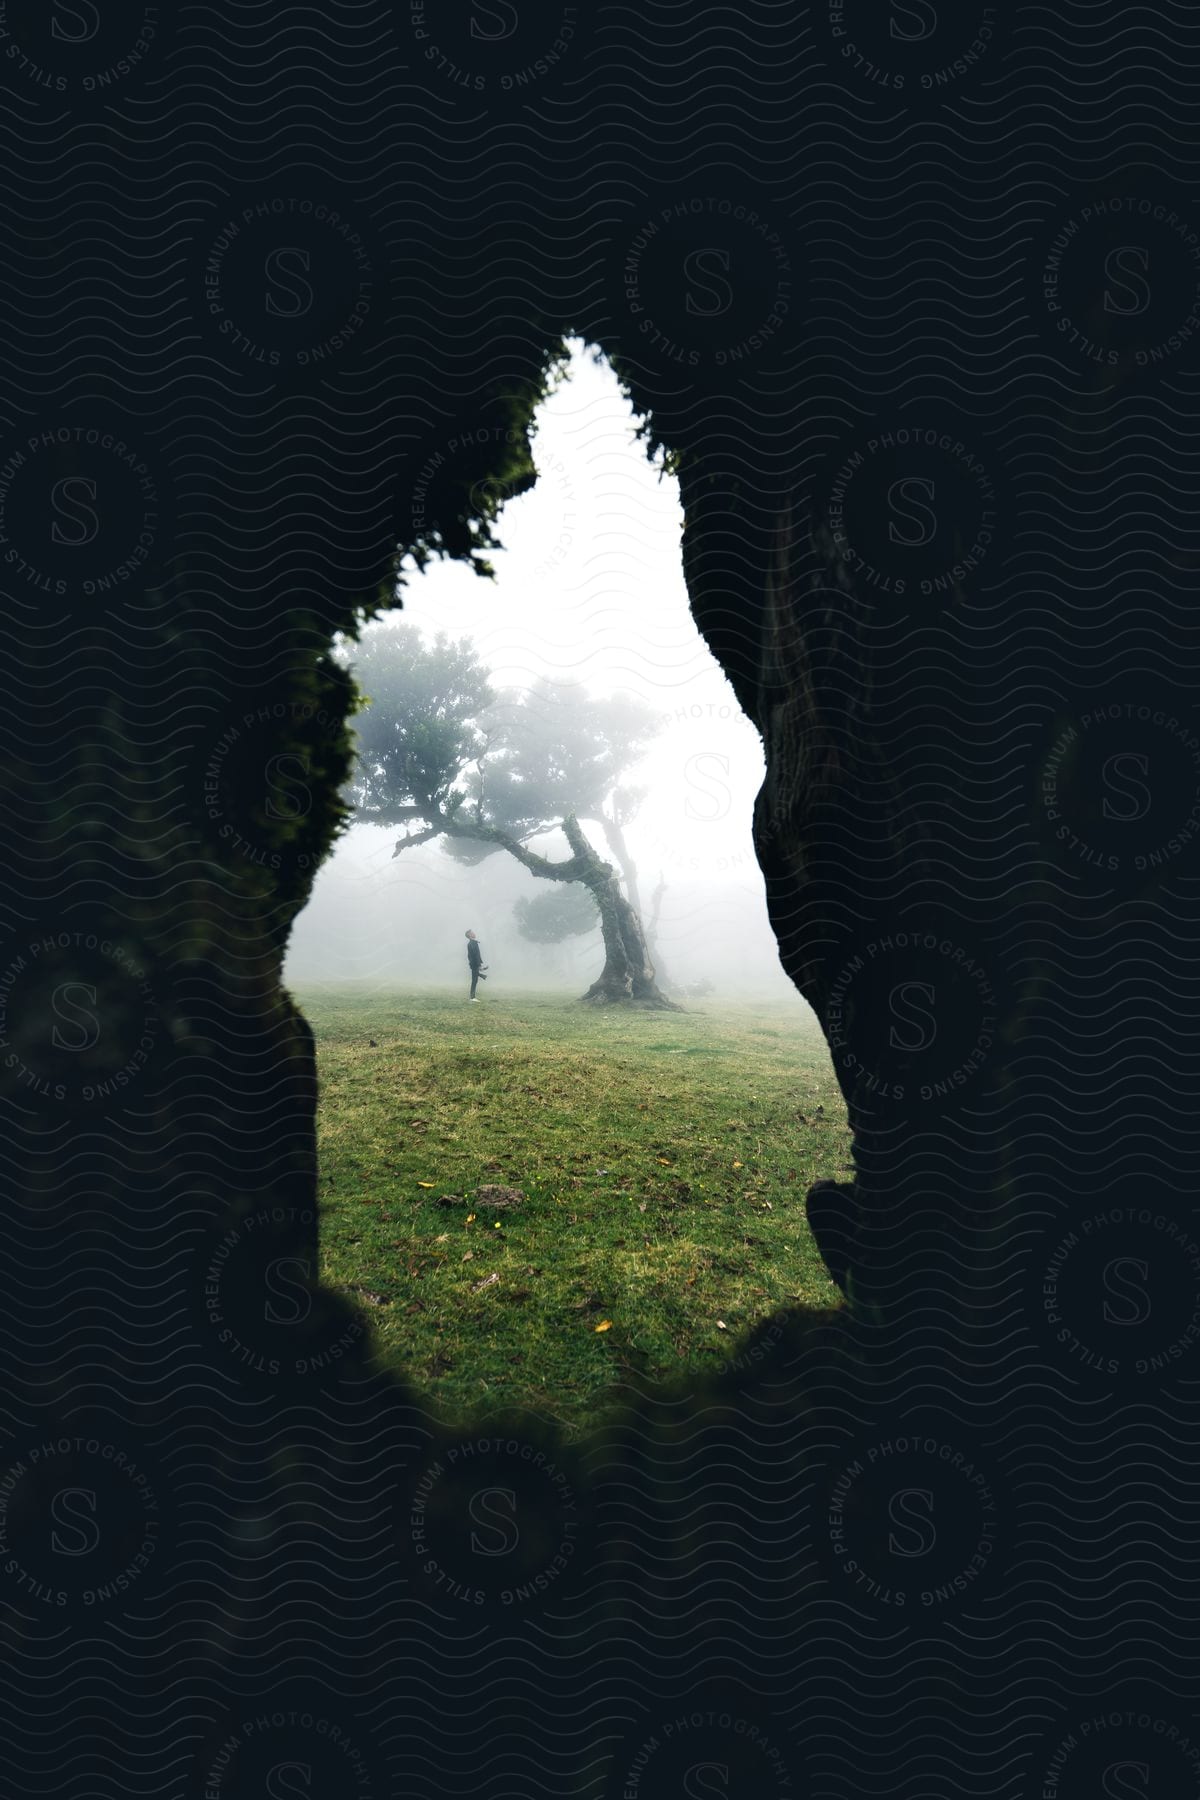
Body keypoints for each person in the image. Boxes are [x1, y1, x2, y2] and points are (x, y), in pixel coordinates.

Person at [465, 929, 488, 1000]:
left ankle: (482, 975)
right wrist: (479, 965)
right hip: (474, 964)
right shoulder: (472, 943)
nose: (474, 933)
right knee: (474, 980)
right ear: (469, 935)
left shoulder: (473, 943)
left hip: (474, 964)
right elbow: (475, 955)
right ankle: (472, 997)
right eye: (472, 933)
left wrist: (479, 965)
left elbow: (474, 955)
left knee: (475, 979)